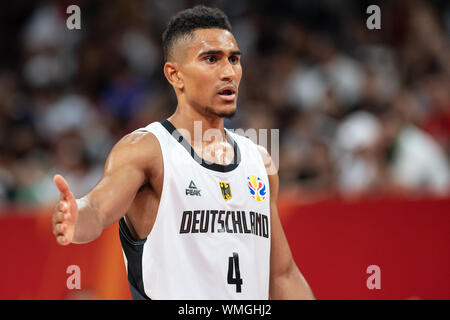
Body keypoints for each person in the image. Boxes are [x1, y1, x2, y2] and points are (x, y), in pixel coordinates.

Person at [52, 5, 314, 300]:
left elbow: (282, 274)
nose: (228, 72)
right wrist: (77, 218)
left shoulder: (259, 162)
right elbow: (98, 209)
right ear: (175, 75)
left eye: (234, 59)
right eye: (211, 59)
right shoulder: (146, 150)